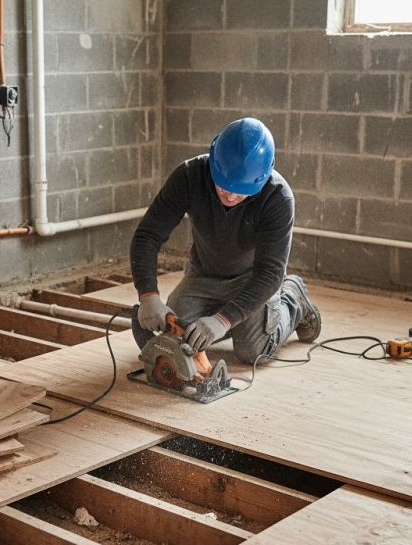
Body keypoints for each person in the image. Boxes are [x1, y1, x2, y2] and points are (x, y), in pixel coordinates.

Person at [130, 117, 321, 364]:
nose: (230, 195)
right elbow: (147, 236)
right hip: (203, 275)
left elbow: (270, 273)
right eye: (223, 185)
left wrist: (222, 320)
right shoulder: (189, 176)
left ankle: (293, 300)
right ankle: (236, 322)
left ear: (262, 178)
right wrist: (148, 295)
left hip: (251, 281)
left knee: (253, 351)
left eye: (240, 189)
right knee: (177, 339)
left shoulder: (278, 198)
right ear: (213, 163)